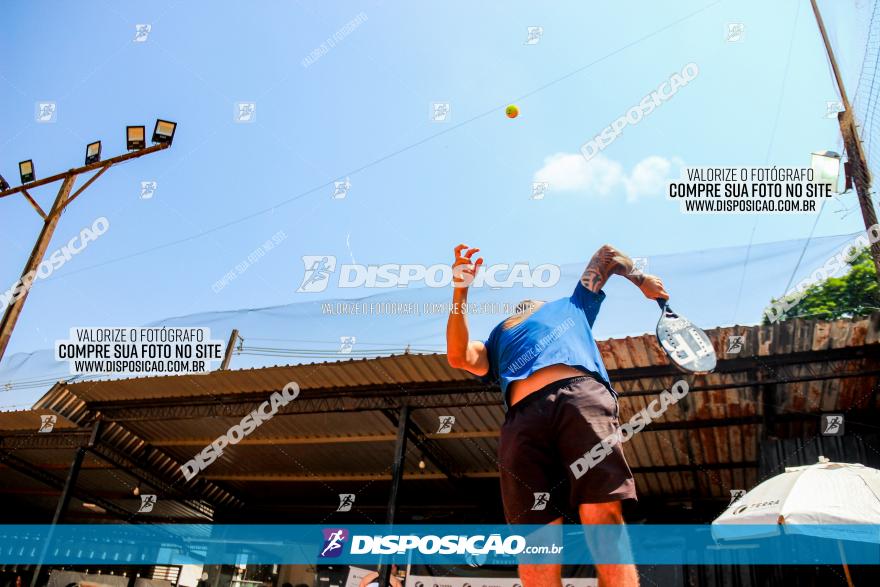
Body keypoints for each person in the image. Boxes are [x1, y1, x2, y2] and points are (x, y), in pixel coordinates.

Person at [445, 243, 669, 587]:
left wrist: (641, 280)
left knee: (600, 512)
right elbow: (459, 356)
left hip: (580, 398)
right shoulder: (497, 337)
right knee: (535, 540)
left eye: (531, 301)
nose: (523, 303)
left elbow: (606, 255)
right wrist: (460, 290)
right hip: (521, 420)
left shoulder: (572, 306)